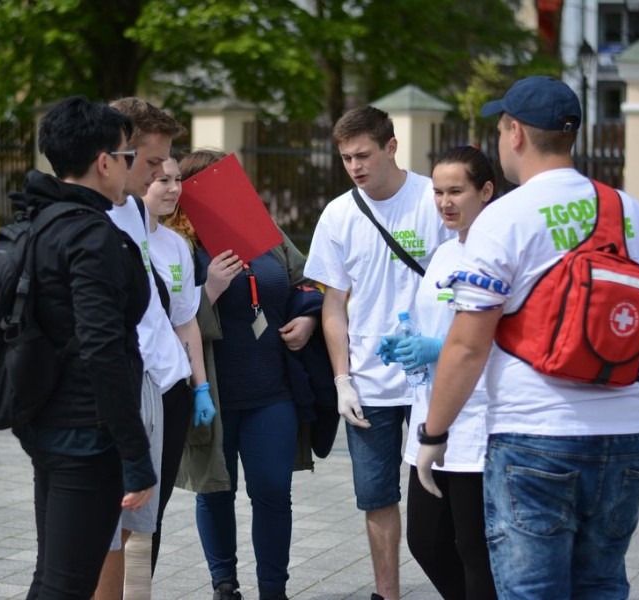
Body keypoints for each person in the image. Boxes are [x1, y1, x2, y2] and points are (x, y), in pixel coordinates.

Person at [418, 76, 639, 599]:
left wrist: (433, 435)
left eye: (502, 127)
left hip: (538, 433)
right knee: (601, 584)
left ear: (517, 133)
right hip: (629, 430)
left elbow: (467, 344)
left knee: (532, 591)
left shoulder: (506, 217)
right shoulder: (633, 213)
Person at [303, 106, 454, 600]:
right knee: (375, 496)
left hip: (435, 374)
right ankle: (386, 594)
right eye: (346, 158)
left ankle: (467, 585)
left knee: (450, 489)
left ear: (391, 147)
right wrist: (342, 379)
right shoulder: (339, 214)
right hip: (369, 380)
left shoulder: (435, 201)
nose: (355, 167)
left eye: (363, 155)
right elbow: (334, 304)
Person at [11, 96, 156, 599]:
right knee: (67, 585)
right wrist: (136, 454)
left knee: (52, 577)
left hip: (46, 422)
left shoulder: (41, 220)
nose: (131, 167)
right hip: (86, 439)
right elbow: (102, 350)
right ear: (103, 163)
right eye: (128, 156)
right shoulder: (93, 237)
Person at [170, 149, 318, 600]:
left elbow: (305, 282)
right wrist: (209, 289)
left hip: (272, 392)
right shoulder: (179, 244)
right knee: (215, 491)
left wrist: (308, 319)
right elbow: (170, 318)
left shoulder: (264, 233)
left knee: (273, 492)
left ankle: (273, 589)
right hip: (211, 394)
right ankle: (224, 585)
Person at [378, 146, 497, 599]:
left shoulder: (497, 254)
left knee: (473, 545)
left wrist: (437, 347)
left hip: (477, 419)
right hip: (432, 413)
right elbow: (436, 320)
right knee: (424, 540)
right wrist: (408, 342)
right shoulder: (446, 252)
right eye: (437, 191)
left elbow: (498, 337)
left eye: (456, 191)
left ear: (485, 191)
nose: (445, 202)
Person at [95, 98, 192, 600]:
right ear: (119, 153)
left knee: (137, 526)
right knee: (105, 529)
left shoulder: (134, 212)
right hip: (120, 388)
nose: (162, 175)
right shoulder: (88, 220)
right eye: (153, 164)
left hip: (161, 384)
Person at [141, 156, 217, 573]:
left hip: (173, 394)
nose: (173, 188)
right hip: (136, 389)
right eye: (161, 180)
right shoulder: (124, 240)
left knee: (155, 509)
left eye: (176, 180)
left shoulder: (177, 246)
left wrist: (200, 387)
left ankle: (140, 587)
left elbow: (186, 321)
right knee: (126, 506)